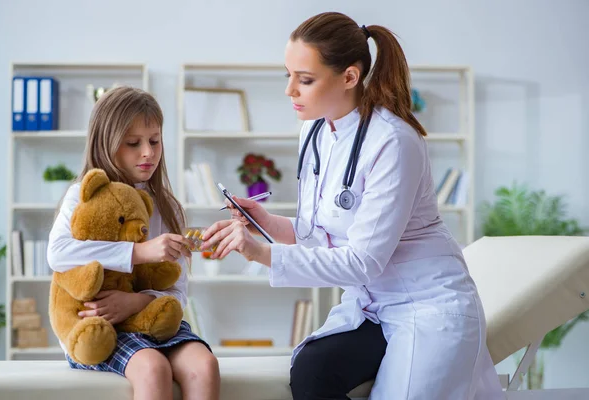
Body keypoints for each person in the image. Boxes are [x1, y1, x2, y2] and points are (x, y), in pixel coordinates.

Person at [200, 11, 504, 400]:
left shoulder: (394, 142)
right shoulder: (314, 131)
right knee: (312, 369)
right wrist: (267, 222)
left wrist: (261, 253)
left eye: (305, 79)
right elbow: (320, 231)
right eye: (288, 75)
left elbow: (363, 260)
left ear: (349, 76)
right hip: (371, 305)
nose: (290, 90)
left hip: (426, 306)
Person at [47, 86, 220, 400]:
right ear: (106, 144)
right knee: (153, 368)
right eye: (133, 143)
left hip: (149, 317)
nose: (148, 153)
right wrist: (138, 252)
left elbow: (177, 293)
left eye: (154, 141)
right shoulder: (81, 197)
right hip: (99, 327)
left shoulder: (168, 208)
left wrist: (137, 302)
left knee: (205, 365)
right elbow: (58, 254)